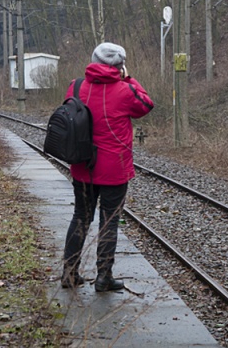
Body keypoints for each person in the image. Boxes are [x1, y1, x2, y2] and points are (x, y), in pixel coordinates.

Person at [61, 42, 154, 292]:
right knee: (108, 222)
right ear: (120, 66)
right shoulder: (125, 90)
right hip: (114, 170)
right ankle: (103, 278)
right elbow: (146, 105)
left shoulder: (76, 85)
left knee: (80, 216)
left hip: (82, 166)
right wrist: (130, 78)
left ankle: (69, 274)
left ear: (93, 60)